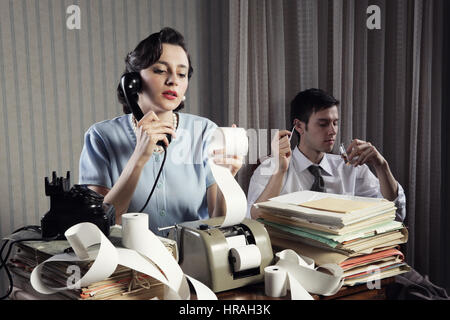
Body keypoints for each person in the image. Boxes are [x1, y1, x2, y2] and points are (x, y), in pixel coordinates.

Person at [79, 27, 242, 235]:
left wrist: (227, 177)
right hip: (129, 260)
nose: (173, 80)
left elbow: (216, 223)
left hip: (194, 259)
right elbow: (98, 225)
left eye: (182, 74)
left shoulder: (204, 132)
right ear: (133, 81)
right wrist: (139, 157)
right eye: (160, 70)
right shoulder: (100, 137)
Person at [247, 88, 406, 222]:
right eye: (323, 124)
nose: (332, 131)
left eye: (335, 123)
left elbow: (395, 214)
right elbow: (252, 221)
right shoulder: (269, 168)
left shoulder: (350, 168)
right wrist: (280, 171)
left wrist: (382, 166)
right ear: (299, 126)